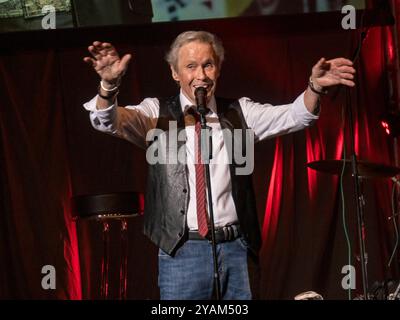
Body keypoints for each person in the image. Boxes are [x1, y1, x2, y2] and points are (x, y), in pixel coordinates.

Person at [83, 30, 355, 300]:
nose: (200, 75)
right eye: (190, 66)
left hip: (236, 249)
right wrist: (108, 86)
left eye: (208, 65)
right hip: (182, 251)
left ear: (218, 69)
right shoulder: (156, 115)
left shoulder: (239, 113)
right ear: (175, 73)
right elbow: (108, 121)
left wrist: (315, 87)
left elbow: (295, 115)